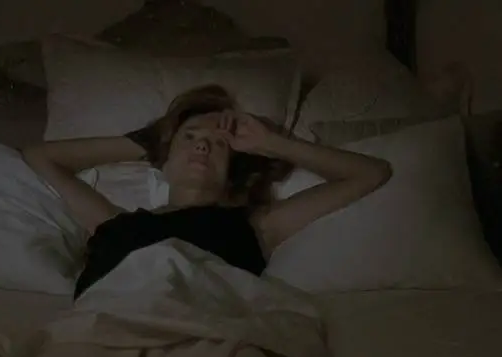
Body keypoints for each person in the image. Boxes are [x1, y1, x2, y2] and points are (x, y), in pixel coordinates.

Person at [21, 85, 392, 300]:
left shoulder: (256, 225)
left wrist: (272, 144)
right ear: (163, 159)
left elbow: (369, 174)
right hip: (103, 338)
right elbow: (41, 156)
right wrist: (152, 140)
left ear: (234, 167)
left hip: (205, 342)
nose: (202, 146)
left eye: (219, 143)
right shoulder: (113, 224)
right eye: (190, 138)